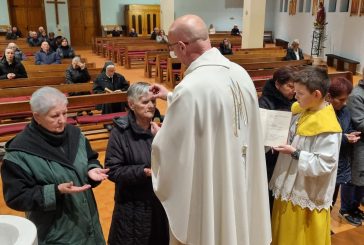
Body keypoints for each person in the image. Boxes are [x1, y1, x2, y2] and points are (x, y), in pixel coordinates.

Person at [150, 14, 271, 245]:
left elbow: (172, 151)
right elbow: (218, 107)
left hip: (213, 183)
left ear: (183, 46)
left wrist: (161, 136)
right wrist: (171, 96)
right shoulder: (239, 73)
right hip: (240, 173)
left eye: (173, 48)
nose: (174, 54)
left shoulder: (191, 87)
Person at [1, 86, 108, 245]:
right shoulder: (19, 152)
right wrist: (55, 191)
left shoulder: (75, 134)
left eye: (65, 113)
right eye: (54, 116)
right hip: (56, 234)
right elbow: (16, 197)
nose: (63, 120)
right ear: (37, 117)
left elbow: (91, 158)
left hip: (89, 226)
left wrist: (92, 169)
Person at [269, 66, 342, 245]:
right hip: (286, 187)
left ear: (316, 94)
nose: (295, 96)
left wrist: (295, 153)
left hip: (304, 195)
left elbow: (325, 164)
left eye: (300, 93)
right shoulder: (303, 110)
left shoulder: (328, 128)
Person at [105, 82, 168, 245]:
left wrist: (163, 139)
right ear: (131, 104)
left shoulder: (162, 129)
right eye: (145, 102)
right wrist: (144, 172)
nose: (151, 106)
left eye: (153, 102)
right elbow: (112, 170)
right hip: (132, 208)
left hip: (158, 205)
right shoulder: (120, 132)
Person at [258, 66, 296, 214]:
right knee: (268, 192)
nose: (293, 91)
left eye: (295, 87)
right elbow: (261, 134)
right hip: (270, 156)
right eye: (289, 86)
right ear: (277, 84)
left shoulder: (294, 101)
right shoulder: (265, 103)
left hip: (286, 153)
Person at [326, 77, 362, 226]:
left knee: (332, 197)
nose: (345, 103)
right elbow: (323, 137)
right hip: (327, 162)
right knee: (324, 198)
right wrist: (345, 138)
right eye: (341, 99)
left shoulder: (344, 110)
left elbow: (347, 128)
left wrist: (351, 133)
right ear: (329, 97)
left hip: (341, 160)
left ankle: (324, 227)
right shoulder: (322, 112)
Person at [346, 68, 364, 224]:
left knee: (362, 178)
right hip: (358, 143)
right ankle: (346, 209)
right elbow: (360, 123)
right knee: (353, 178)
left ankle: (355, 205)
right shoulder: (357, 95)